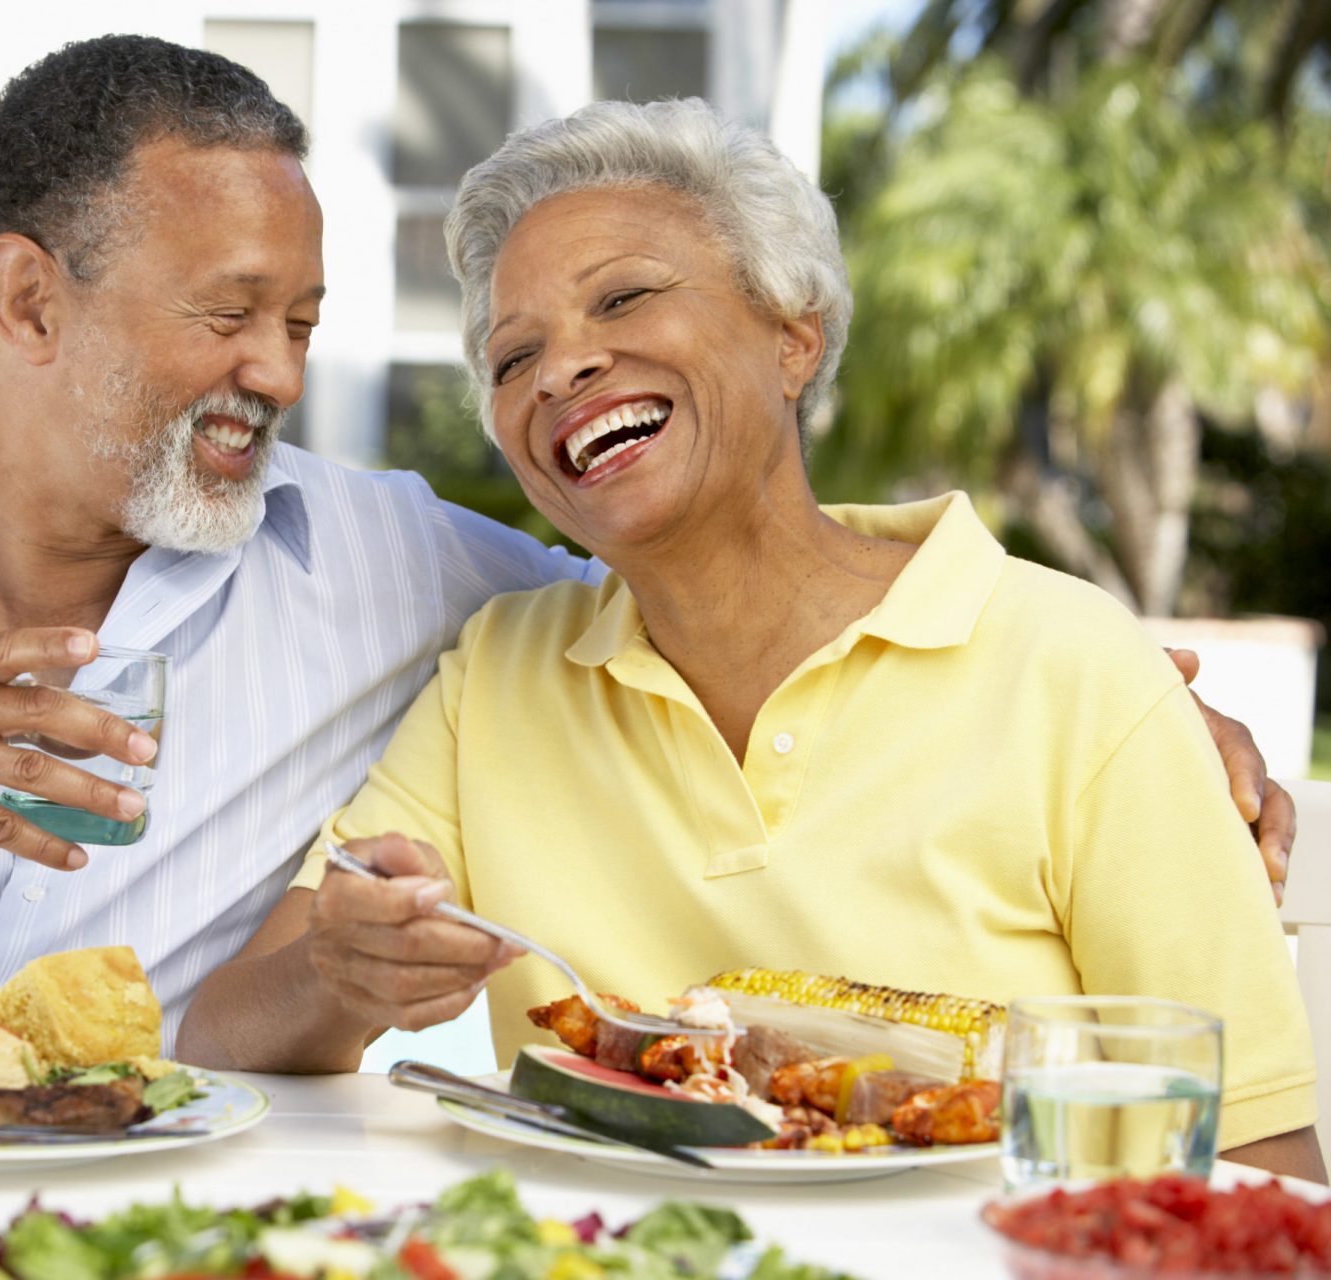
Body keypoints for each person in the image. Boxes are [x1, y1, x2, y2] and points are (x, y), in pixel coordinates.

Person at [0, 37, 1291, 1085]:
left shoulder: (391, 572)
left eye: (307, 319)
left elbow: (698, 544)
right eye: (230, 312)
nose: (279, 374)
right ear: (29, 299)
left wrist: (1124, 706)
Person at [175, 97, 1322, 1180]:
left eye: (622, 299)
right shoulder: (498, 677)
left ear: (794, 338)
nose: (562, 366)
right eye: (514, 357)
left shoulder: (1073, 669)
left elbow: (1260, 1177)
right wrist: (343, 971)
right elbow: (227, 1026)